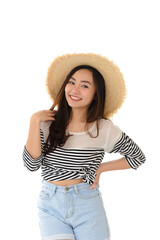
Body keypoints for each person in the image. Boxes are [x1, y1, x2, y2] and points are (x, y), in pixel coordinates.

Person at [22, 53, 146, 240]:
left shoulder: (103, 129)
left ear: (96, 95)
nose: (75, 90)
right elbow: (31, 166)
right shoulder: (46, 123)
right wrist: (33, 121)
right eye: (71, 82)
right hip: (50, 204)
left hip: (87, 204)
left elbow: (137, 157)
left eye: (85, 86)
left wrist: (101, 168)